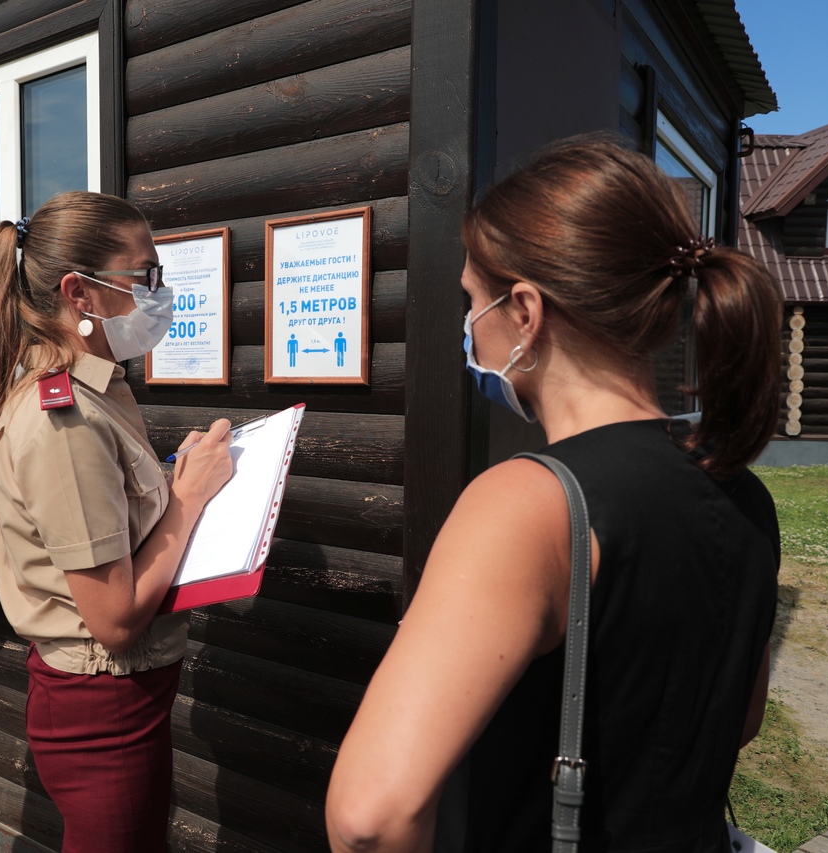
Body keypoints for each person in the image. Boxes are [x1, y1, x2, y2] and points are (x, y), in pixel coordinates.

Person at [326, 135, 782, 853]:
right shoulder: (746, 492)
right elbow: (741, 718)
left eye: (473, 302)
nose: (470, 328)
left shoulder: (526, 503)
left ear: (527, 312)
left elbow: (369, 817)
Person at [0, 191, 233, 853]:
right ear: (81, 292)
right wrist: (187, 500)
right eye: (145, 275)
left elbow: (112, 520)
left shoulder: (95, 389)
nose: (159, 292)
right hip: (104, 708)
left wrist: (169, 476)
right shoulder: (61, 415)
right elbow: (114, 618)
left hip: (118, 701)